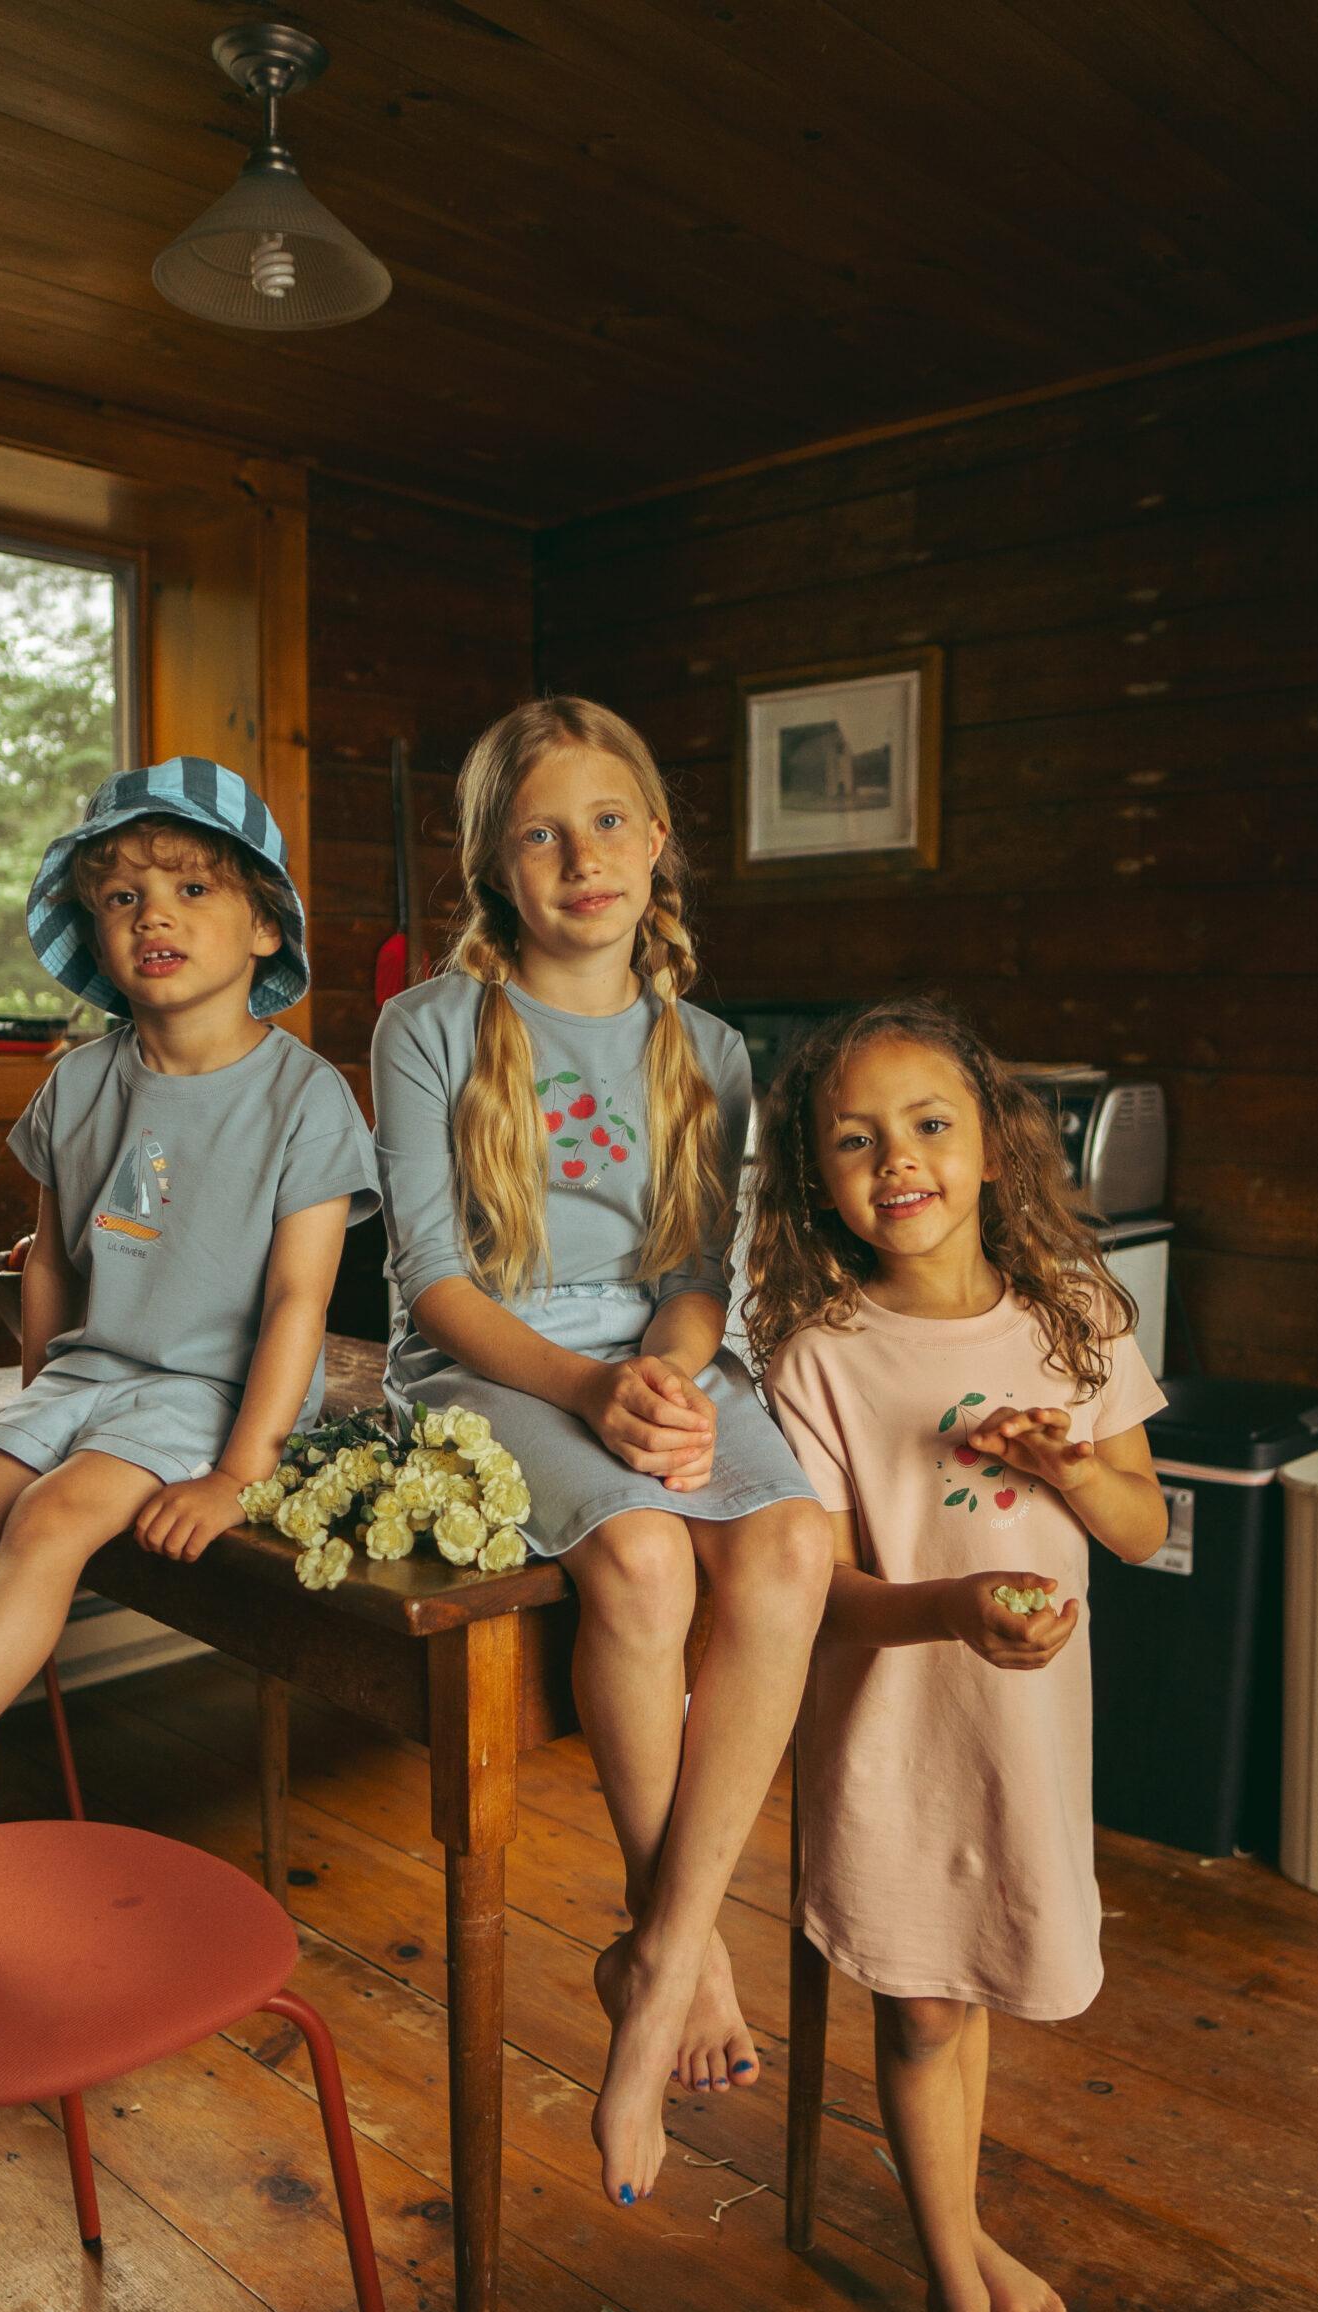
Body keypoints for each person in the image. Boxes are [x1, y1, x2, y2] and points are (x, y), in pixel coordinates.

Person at [0, 757, 377, 1932]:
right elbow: (50, 1260)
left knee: (51, 1520)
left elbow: (299, 1303)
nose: (155, 917)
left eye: (192, 889)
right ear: (94, 930)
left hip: (213, 1392)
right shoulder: (79, 1082)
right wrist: (33, 1405)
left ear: (264, 925)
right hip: (89, 1375)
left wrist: (239, 1475)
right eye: (122, 898)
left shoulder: (306, 1099)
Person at [370, 696, 832, 2208]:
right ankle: (676, 1954)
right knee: (639, 1559)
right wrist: (585, 1386)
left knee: (791, 1540)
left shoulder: (710, 1047)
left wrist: (668, 1379)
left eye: (609, 821)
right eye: (542, 833)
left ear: (658, 842)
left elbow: (696, 1275)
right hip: (492, 1361)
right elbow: (431, 1283)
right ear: (493, 868)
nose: (583, 857)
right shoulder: (428, 1028)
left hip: (659, 1353)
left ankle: (660, 1954)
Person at [748, 994, 1168, 2312]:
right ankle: (954, 2300)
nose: (897, 1161)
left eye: (928, 1124)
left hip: (1027, 1738)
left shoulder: (1074, 1314)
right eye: (854, 1140)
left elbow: (1141, 1524)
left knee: (975, 1984)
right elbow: (814, 1596)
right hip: (892, 1732)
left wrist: (1069, 1470)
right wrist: (950, 1609)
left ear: (992, 1145)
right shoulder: (818, 1358)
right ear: (817, 1179)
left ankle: (958, 2224)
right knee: (922, 2009)